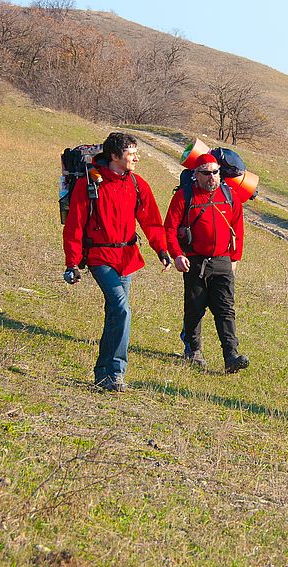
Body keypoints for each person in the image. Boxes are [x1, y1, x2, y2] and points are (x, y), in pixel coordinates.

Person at [63, 132, 171, 392]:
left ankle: (104, 373)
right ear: (114, 156)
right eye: (131, 153)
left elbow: (152, 221)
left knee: (116, 314)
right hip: (100, 258)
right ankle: (116, 372)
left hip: (127, 258)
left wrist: (162, 250)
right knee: (122, 310)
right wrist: (72, 263)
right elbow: (75, 226)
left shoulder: (137, 184)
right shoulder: (90, 185)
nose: (137, 158)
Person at [164, 153, 249, 374]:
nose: (211, 177)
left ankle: (231, 355)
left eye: (215, 172)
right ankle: (193, 351)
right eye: (206, 173)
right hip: (194, 261)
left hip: (223, 261)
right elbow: (170, 229)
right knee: (195, 308)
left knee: (225, 310)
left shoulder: (231, 195)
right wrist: (177, 255)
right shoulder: (184, 197)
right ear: (196, 175)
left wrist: (234, 258)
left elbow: (237, 229)